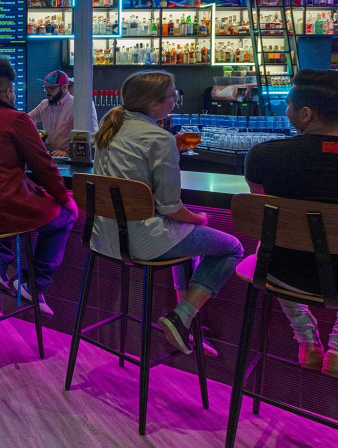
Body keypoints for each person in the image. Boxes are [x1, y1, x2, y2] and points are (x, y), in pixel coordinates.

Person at [91, 71, 243, 354]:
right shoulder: (159, 139)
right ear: (157, 103)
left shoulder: (110, 127)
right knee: (232, 247)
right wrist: (198, 218)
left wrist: (171, 149)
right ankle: (182, 316)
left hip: (104, 239)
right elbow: (171, 208)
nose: (176, 98)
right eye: (174, 94)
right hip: (144, 243)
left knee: (182, 239)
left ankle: (183, 324)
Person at [0, 58, 77, 317]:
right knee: (65, 214)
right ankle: (32, 283)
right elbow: (45, 168)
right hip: (0, 211)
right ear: (8, 91)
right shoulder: (16, 120)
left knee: (8, 200)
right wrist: (66, 199)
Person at [245, 69, 338, 377]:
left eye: (288, 105)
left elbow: (260, 211)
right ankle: (337, 349)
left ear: (306, 113)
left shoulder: (262, 156)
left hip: (281, 273)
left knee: (271, 240)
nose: (285, 112)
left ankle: (306, 337)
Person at [29, 70, 98, 156]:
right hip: (52, 157)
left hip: (73, 159)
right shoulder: (44, 105)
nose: (47, 91)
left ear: (64, 87)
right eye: (46, 88)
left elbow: (93, 137)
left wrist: (69, 154)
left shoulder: (80, 105)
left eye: (52, 88)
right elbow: (26, 121)